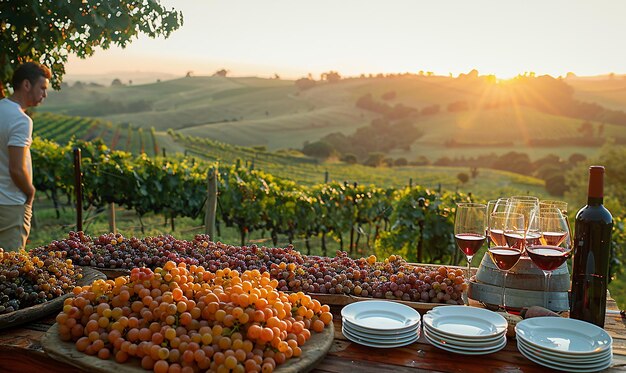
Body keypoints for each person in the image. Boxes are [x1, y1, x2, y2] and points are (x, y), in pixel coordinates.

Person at [0, 62, 51, 251]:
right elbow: (16, 169)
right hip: (11, 204)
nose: (44, 95)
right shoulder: (21, 120)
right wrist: (30, 192)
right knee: (10, 270)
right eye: (42, 88)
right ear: (26, 85)